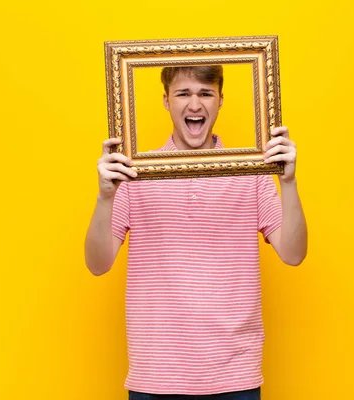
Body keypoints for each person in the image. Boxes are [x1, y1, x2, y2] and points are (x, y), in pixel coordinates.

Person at [85, 65, 307, 399]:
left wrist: (287, 181)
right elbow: (97, 263)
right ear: (165, 100)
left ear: (220, 100)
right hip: (155, 376)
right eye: (183, 94)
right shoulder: (134, 174)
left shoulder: (252, 173)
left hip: (235, 375)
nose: (194, 104)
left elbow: (293, 253)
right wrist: (105, 196)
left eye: (205, 93)